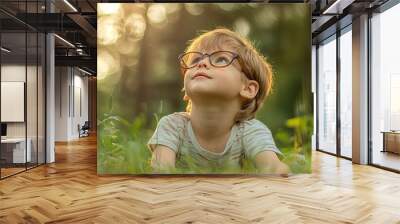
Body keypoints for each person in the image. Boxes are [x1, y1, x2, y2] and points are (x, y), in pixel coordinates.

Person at [147, 28, 289, 175]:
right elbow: (161, 176)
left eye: (221, 59)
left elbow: (274, 169)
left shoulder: (250, 131)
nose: (201, 63)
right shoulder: (172, 126)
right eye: (195, 59)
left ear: (248, 88)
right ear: (185, 89)